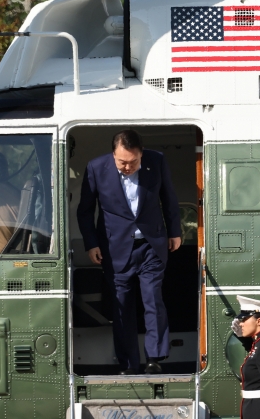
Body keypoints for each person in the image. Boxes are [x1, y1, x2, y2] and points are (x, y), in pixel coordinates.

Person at [77, 130, 182, 374]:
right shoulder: (95, 168)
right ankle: (127, 363)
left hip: (150, 245)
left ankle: (155, 358)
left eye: (133, 162)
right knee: (121, 306)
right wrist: (91, 243)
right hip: (114, 249)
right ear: (113, 155)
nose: (127, 166)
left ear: (141, 154)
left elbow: (169, 197)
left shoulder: (156, 161)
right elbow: (85, 210)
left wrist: (174, 231)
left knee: (153, 300)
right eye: (122, 162)